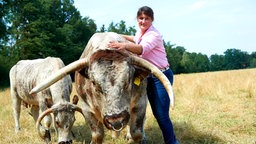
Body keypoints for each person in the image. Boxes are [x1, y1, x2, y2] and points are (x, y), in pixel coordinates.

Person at [108, 6, 179, 144]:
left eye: (147, 18)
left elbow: (141, 49)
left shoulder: (153, 35)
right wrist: (117, 36)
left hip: (160, 76)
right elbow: (135, 39)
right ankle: (140, 135)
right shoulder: (142, 32)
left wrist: (123, 46)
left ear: (152, 20)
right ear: (137, 19)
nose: (143, 21)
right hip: (145, 75)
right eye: (141, 18)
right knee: (140, 106)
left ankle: (172, 142)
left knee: (161, 114)